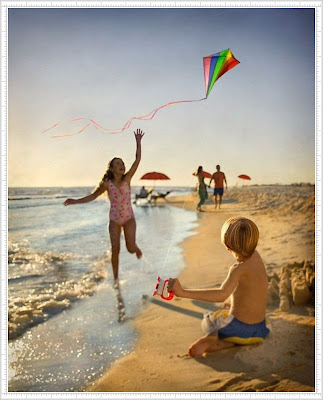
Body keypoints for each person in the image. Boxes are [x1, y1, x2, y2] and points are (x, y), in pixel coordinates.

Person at [168, 217, 270, 357]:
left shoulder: (238, 269)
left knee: (209, 319)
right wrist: (233, 303)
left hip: (240, 329)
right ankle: (231, 342)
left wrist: (183, 292)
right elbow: (252, 290)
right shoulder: (257, 258)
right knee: (227, 311)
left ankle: (213, 337)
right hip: (260, 330)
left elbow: (221, 294)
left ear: (228, 248)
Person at [64, 129, 144, 288]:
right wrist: (75, 201)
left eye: (122, 163)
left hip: (129, 218)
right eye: (118, 164)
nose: (122, 165)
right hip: (114, 219)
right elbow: (92, 196)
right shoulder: (107, 184)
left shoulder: (128, 178)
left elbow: (137, 159)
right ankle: (115, 279)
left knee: (129, 248)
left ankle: (135, 248)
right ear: (112, 169)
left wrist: (138, 142)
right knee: (115, 249)